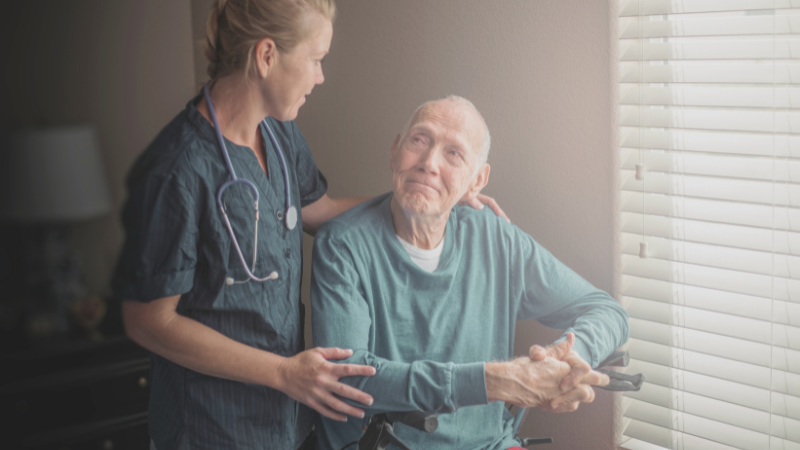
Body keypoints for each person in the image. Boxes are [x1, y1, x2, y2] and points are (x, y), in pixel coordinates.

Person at [111, 2, 505, 450]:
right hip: (210, 427)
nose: (320, 76)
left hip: (287, 423)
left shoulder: (279, 136)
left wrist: (432, 198)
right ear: (266, 56)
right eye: (316, 59)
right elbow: (147, 320)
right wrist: (282, 372)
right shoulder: (177, 168)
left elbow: (322, 211)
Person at [311, 96, 630, 450]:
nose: (429, 163)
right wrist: (495, 381)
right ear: (394, 151)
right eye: (419, 140)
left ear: (477, 180)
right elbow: (347, 380)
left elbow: (606, 310)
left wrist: (570, 355)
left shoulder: (495, 238)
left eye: (454, 153)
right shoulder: (342, 244)